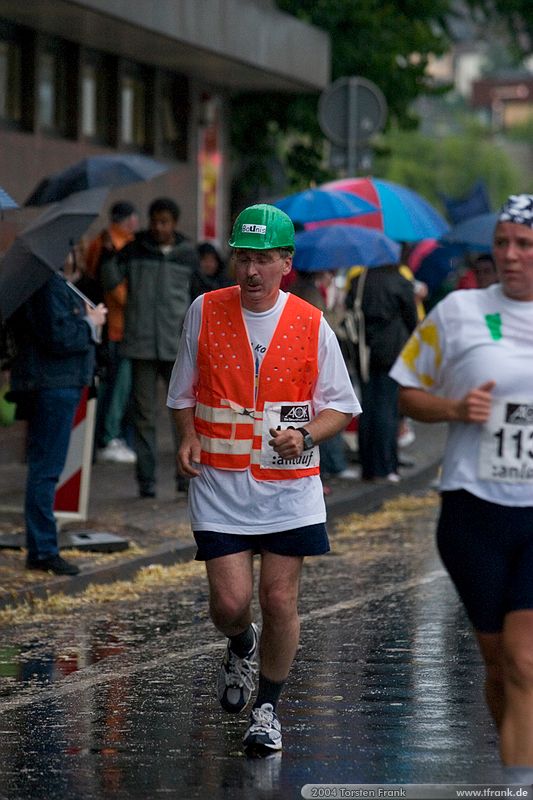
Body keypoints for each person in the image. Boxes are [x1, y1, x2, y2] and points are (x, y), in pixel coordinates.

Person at [167, 204, 360, 755]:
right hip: (220, 486)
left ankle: (268, 710)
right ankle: (239, 643)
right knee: (231, 604)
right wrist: (187, 436)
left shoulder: (310, 323)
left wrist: (308, 435)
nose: (251, 271)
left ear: (285, 264)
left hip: (288, 488)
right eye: (243, 258)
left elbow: (342, 407)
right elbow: (182, 393)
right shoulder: (203, 312)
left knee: (279, 599)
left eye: (264, 260)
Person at [390, 194, 533, 782]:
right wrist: (454, 407)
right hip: (473, 511)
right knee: (499, 666)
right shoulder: (458, 311)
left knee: (526, 661)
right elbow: (406, 391)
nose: (511, 255)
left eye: (524, 244)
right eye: (502, 244)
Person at [7, 260, 107, 575]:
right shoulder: (46, 283)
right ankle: (43, 549)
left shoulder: (51, 282)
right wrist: (90, 323)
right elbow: (58, 335)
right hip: (54, 383)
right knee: (46, 469)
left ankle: (42, 546)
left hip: (56, 382)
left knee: (46, 467)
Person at [101, 197, 199, 498]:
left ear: (174, 223)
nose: (158, 227)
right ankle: (147, 482)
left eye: (165, 222)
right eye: (155, 220)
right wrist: (107, 256)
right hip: (141, 344)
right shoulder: (134, 248)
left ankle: (185, 477)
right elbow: (110, 280)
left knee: (182, 413)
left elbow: (200, 295)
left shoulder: (187, 254)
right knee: (144, 416)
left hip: (176, 346)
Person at [345, 262, 418, 483]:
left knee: (367, 406)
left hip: (364, 351)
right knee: (387, 407)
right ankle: (386, 465)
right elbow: (411, 318)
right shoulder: (400, 281)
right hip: (393, 351)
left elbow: (348, 309)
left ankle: (368, 466)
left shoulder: (359, 280)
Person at [85, 201, 140, 464]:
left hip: (110, 323)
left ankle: (107, 436)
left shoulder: (99, 241)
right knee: (118, 387)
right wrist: (137, 302)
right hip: (118, 325)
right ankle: (109, 437)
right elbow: (115, 288)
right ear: (129, 220)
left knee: (112, 386)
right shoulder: (117, 244)